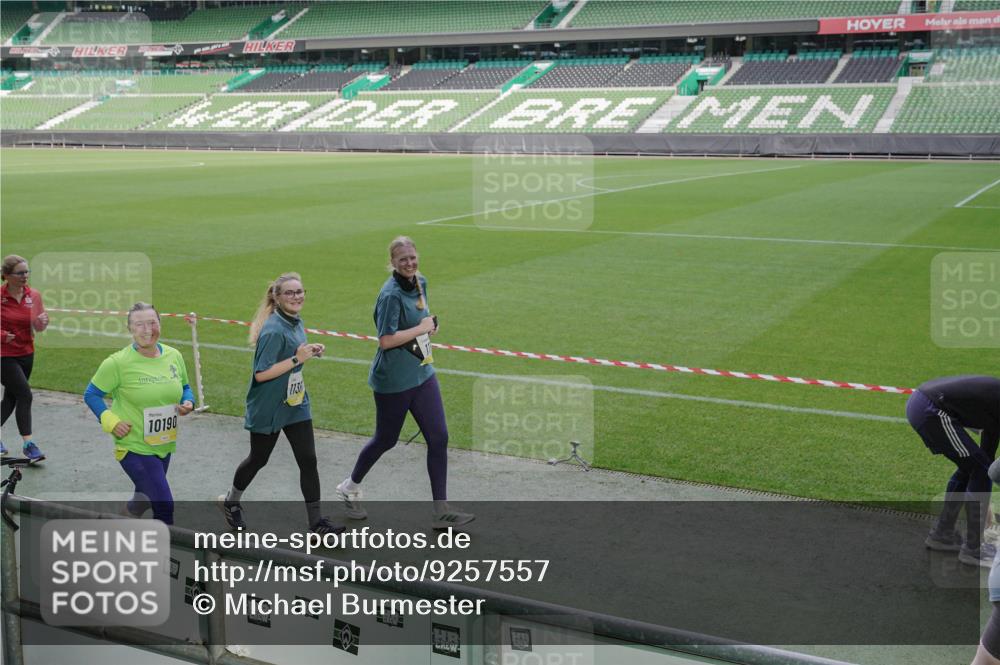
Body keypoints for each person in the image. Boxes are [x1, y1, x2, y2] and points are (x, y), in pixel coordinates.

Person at [337, 237, 473, 530]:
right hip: (394, 380)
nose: (409, 263)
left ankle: (441, 509)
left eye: (412, 257)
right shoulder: (389, 295)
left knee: (438, 437)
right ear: (393, 263)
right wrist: (420, 328)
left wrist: (429, 327)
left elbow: (419, 321)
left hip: (422, 373)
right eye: (403, 260)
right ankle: (349, 487)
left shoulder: (420, 281)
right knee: (386, 439)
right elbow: (386, 340)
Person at [219, 272, 343, 535]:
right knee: (258, 459)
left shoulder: (296, 321)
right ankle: (231, 501)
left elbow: (293, 353)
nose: (297, 296)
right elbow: (261, 374)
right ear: (277, 297)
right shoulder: (273, 329)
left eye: (300, 291)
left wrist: (309, 350)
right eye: (290, 292)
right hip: (269, 407)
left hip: (295, 403)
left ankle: (316, 523)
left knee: (308, 460)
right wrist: (297, 359)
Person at [83, 303, 195, 524]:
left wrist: (188, 401)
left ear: (160, 325)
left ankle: (120, 522)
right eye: (139, 324)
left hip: (163, 443)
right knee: (164, 504)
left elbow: (185, 386)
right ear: (130, 329)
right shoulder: (117, 363)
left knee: (144, 497)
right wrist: (111, 421)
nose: (147, 330)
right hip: (133, 445)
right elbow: (92, 394)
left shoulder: (173, 355)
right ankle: (161, 556)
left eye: (152, 323)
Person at [908, 375, 1000, 568]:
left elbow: (989, 453)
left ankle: (943, 534)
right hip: (932, 409)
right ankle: (974, 549)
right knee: (980, 469)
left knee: (975, 466)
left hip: (924, 404)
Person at [1, 255, 48, 461]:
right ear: (7, 276)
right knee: (25, 395)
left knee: (12, 397)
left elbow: (37, 325)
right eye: (20, 273)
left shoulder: (34, 295)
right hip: (4, 355)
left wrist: (42, 322)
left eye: (27, 272)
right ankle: (28, 444)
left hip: (26, 352)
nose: (25, 276)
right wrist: (2, 336)